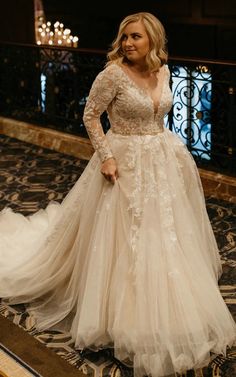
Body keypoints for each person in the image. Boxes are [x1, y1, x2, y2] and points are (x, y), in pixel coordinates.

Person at [0, 11, 235, 377]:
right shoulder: (111, 74)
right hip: (121, 161)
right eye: (124, 36)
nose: (127, 43)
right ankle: (118, 313)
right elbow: (91, 115)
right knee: (124, 236)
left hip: (162, 160)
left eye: (136, 37)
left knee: (165, 232)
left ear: (153, 40)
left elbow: (161, 114)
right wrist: (106, 156)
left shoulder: (164, 71)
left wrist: (170, 152)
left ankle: (166, 303)